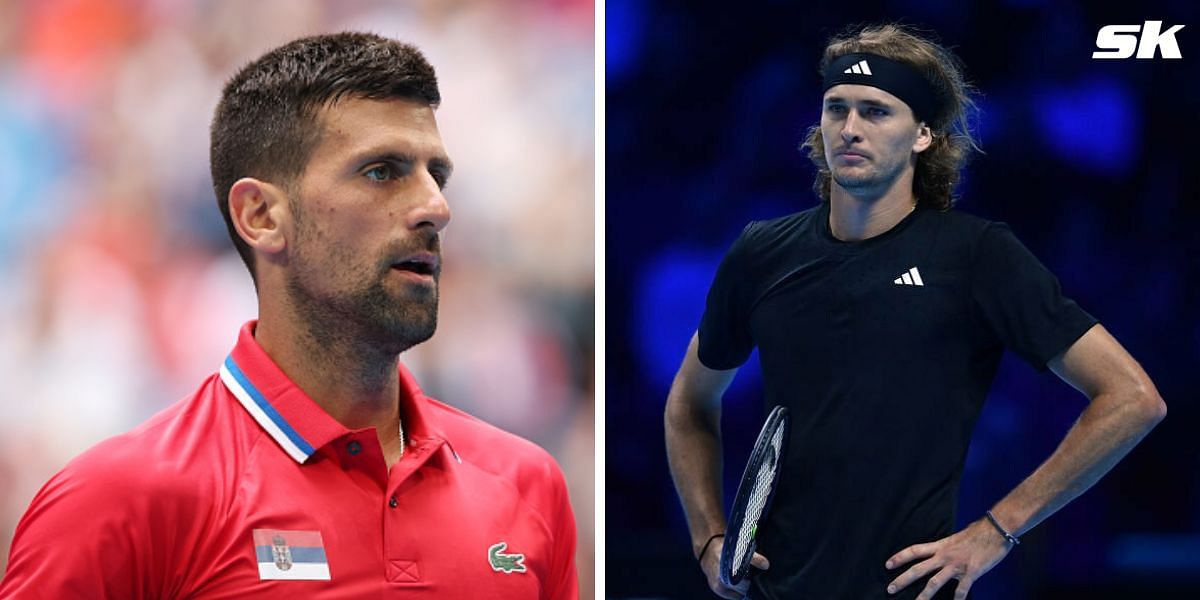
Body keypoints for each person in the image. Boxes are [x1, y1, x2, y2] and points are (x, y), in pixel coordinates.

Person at [0, 32, 578, 599]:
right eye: (382, 171)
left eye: (437, 175)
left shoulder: (527, 483)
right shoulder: (119, 500)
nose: (436, 207)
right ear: (261, 216)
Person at [664, 23, 1165, 600]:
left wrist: (997, 530)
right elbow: (689, 401)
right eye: (836, 109)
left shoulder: (977, 254)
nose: (849, 129)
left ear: (924, 135)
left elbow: (1132, 399)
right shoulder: (761, 251)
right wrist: (709, 538)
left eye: (876, 112)